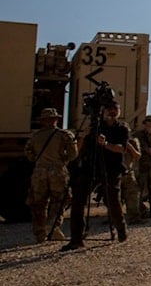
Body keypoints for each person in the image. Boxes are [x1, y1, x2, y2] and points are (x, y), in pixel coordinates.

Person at [63, 99, 130, 251]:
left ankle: (121, 229)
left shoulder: (122, 128)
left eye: (115, 109)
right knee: (78, 200)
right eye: (109, 109)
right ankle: (76, 239)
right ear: (103, 111)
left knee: (113, 201)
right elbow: (78, 150)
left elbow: (122, 149)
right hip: (90, 167)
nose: (112, 112)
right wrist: (83, 136)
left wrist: (105, 144)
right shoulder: (95, 127)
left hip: (111, 169)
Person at [24, 107, 78, 243]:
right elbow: (73, 154)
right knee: (59, 200)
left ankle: (40, 232)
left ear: (42, 121)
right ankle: (53, 226)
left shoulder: (35, 136)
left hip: (39, 172)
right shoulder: (64, 135)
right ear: (55, 120)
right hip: (57, 171)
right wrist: (62, 159)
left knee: (38, 203)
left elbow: (29, 154)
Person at [120, 135, 143, 224]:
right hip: (113, 173)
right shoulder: (110, 140)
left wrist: (129, 146)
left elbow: (137, 155)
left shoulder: (132, 141)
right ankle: (114, 218)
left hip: (128, 172)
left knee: (133, 195)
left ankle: (134, 217)